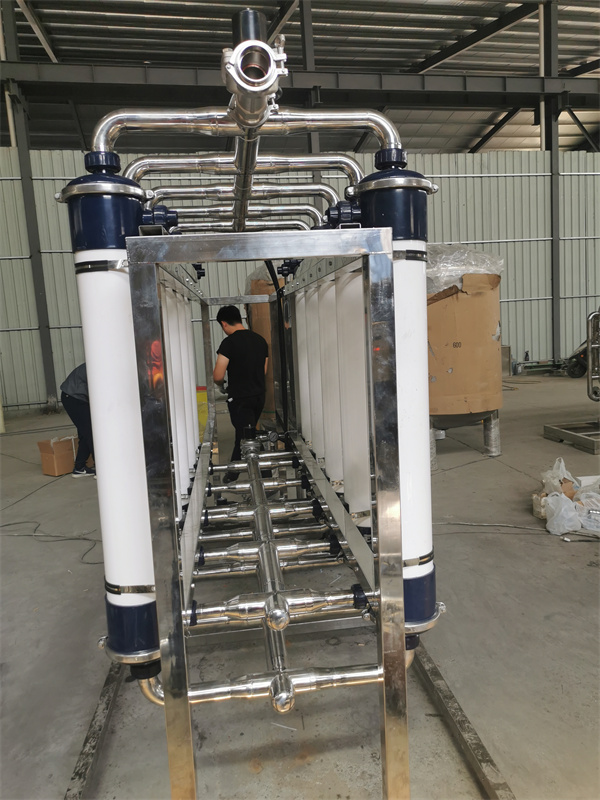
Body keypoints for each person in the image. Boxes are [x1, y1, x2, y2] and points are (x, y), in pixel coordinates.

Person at [213, 305, 268, 480]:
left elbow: (218, 375)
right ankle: (233, 472)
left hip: (240, 399)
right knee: (244, 433)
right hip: (259, 396)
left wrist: (221, 385)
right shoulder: (260, 340)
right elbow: (264, 370)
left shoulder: (228, 343)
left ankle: (265, 474)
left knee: (248, 437)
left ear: (224, 324)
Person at [60, 363, 95, 477]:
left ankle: (79, 467)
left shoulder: (101, 362)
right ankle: (102, 470)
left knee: (86, 433)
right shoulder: (100, 364)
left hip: (76, 397)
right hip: (74, 397)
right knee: (92, 433)